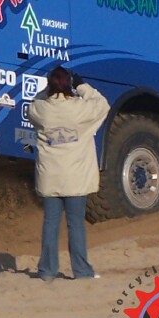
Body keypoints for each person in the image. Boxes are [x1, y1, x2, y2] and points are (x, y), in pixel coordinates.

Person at [27, 66, 109, 282]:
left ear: (49, 85)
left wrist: (48, 91)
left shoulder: (41, 109)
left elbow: (33, 104)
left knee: (50, 224)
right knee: (76, 225)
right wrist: (82, 86)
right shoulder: (79, 109)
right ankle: (81, 271)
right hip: (76, 177)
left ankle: (47, 271)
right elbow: (102, 105)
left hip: (50, 176)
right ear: (69, 84)